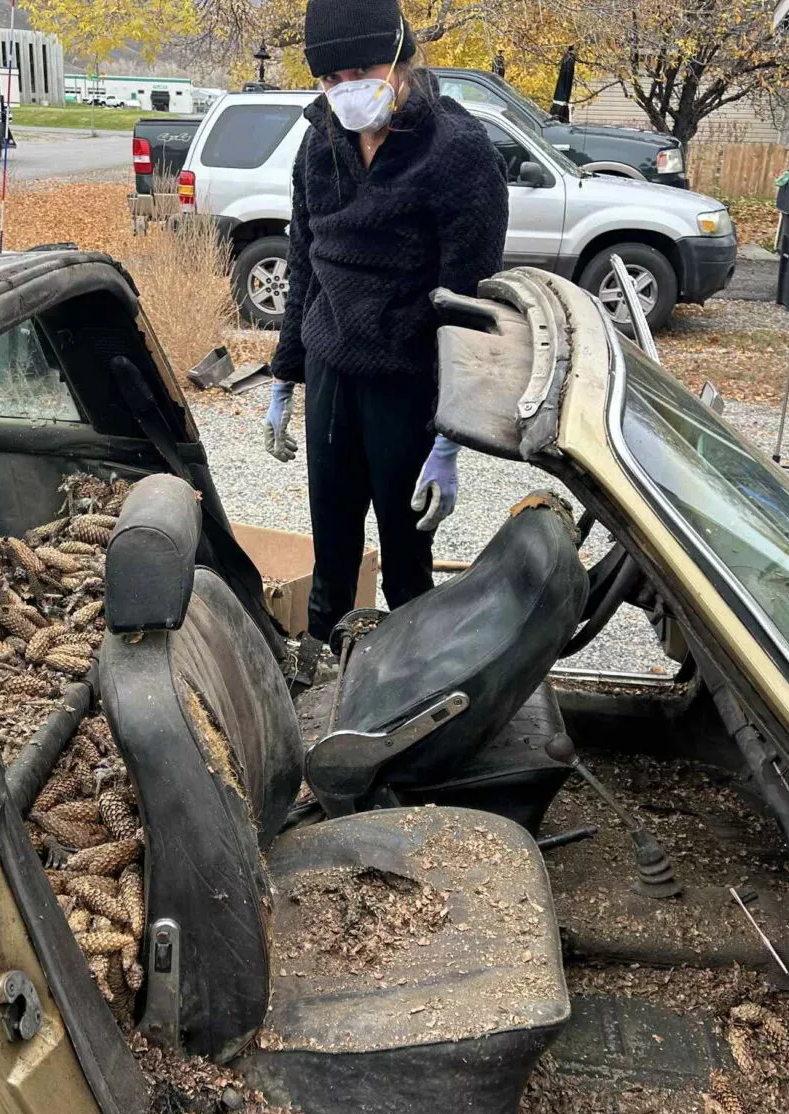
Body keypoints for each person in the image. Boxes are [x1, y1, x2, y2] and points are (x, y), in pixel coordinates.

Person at [264, 0, 509, 651]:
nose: (347, 91)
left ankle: (408, 697)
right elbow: (303, 262)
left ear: (402, 58)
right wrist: (285, 376)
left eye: (362, 70)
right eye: (330, 78)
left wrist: (453, 434)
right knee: (331, 564)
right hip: (331, 374)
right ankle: (321, 688)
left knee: (407, 571)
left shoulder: (458, 154)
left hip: (408, 386)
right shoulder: (319, 147)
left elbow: (471, 306)